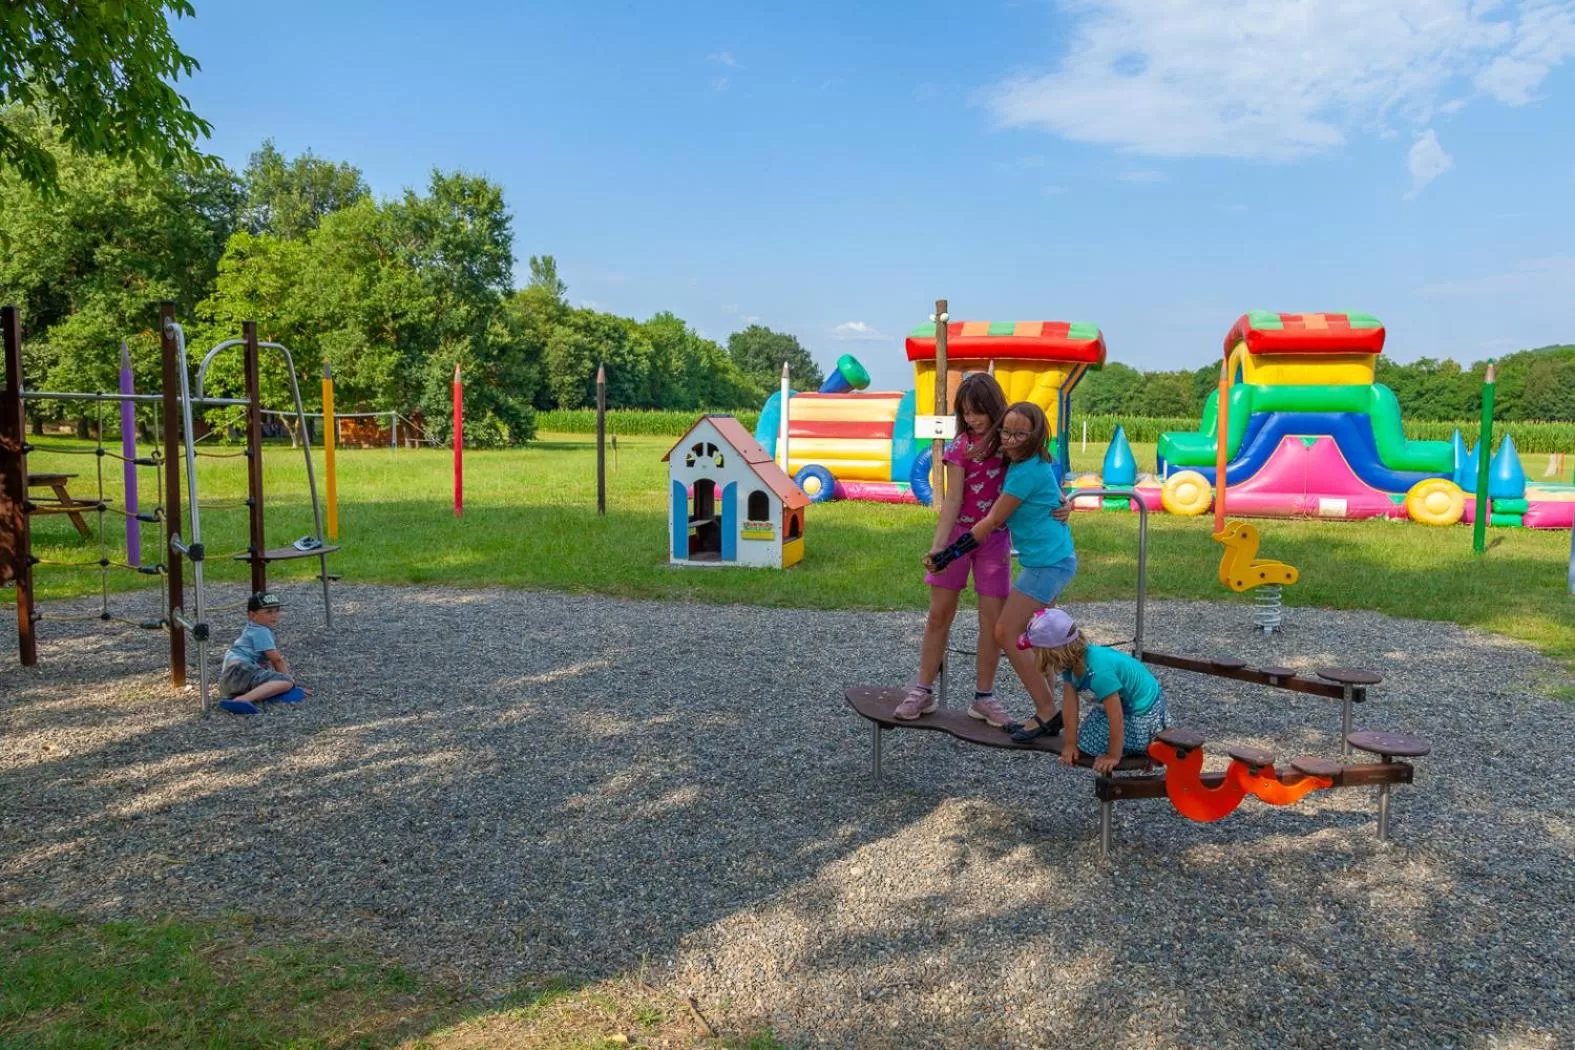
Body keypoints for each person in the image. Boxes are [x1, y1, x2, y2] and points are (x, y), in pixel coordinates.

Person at [947, 401, 1076, 738]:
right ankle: (1051, 709)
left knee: (1005, 631)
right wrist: (1065, 503)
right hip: (1050, 559)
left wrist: (950, 554)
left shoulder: (1026, 471)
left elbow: (993, 520)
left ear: (1035, 436)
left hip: (1049, 563)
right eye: (1006, 431)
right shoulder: (1029, 464)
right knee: (1033, 632)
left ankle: (1047, 711)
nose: (1010, 439)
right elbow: (1053, 495)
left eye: (1020, 434)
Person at [896, 373, 1014, 725]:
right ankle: (922, 690)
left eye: (979, 411)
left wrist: (1062, 506)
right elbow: (952, 500)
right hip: (958, 538)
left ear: (994, 408)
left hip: (994, 539)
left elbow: (1035, 483)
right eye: (967, 412)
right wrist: (938, 549)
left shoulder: (1012, 446)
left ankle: (984, 697)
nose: (974, 419)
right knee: (938, 616)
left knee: (992, 622)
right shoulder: (960, 446)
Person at [1015, 607, 1172, 771]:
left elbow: (1116, 716)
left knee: (1093, 745)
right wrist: (1070, 744)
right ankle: (1132, 745)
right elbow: (1069, 707)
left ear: (1052, 653)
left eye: (1035, 649)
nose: (1033, 653)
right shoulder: (1071, 663)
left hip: (1142, 713)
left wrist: (1113, 755)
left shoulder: (1098, 672)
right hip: (1119, 706)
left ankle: (1147, 744)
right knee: (1084, 741)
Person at [219, 591, 307, 704]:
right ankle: (243, 700)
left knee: (270, 678)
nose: (274, 615)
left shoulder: (251, 627)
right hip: (240, 672)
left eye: (277, 610)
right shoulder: (261, 631)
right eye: (269, 612)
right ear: (252, 615)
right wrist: (290, 684)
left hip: (230, 681)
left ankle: (252, 694)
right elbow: (277, 660)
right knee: (286, 681)